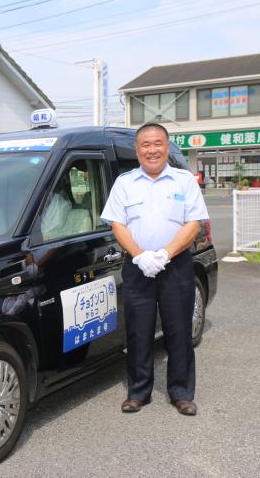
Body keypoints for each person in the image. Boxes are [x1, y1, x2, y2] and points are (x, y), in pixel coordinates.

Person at [100, 123, 209, 416]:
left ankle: (181, 393)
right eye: (145, 145)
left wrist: (165, 253)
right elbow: (117, 224)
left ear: (166, 146)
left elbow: (194, 223)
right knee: (138, 331)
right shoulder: (125, 183)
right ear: (137, 150)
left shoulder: (183, 181)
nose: (152, 150)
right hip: (138, 268)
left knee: (179, 331)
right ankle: (138, 392)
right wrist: (139, 256)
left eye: (157, 143)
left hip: (176, 266)